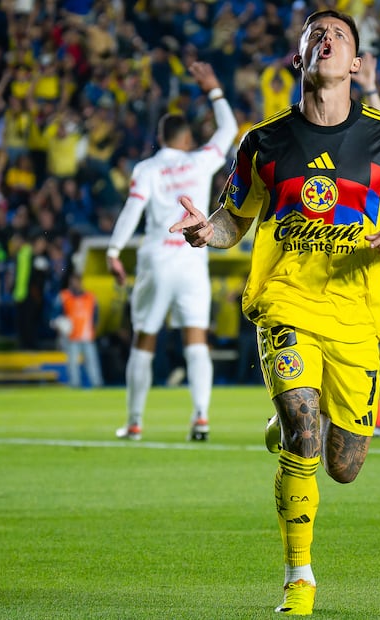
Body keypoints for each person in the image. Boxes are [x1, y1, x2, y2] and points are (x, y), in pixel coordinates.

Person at [169, 11, 380, 616]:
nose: (327, 39)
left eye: (339, 35)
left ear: (357, 64)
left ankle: (285, 428)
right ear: (299, 58)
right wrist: (204, 232)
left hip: (355, 314)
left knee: (343, 465)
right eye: (316, 33)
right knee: (303, 427)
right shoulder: (262, 143)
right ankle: (300, 577)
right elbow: (233, 219)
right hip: (286, 299)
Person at [106, 61, 238, 442]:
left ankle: (134, 423)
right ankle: (200, 418)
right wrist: (214, 89)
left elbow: (132, 208)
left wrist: (114, 250)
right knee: (196, 339)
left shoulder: (146, 169)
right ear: (185, 140)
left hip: (156, 257)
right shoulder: (199, 161)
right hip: (192, 259)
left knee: (144, 338)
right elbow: (229, 130)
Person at [51, 272, 104, 389]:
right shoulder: (64, 296)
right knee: (72, 364)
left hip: (87, 335)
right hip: (71, 336)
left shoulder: (91, 297)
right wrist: (59, 325)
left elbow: (95, 316)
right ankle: (74, 384)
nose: (76, 284)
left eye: (78, 281)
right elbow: (55, 316)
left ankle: (97, 384)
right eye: (74, 281)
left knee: (92, 363)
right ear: (70, 282)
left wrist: (94, 328)